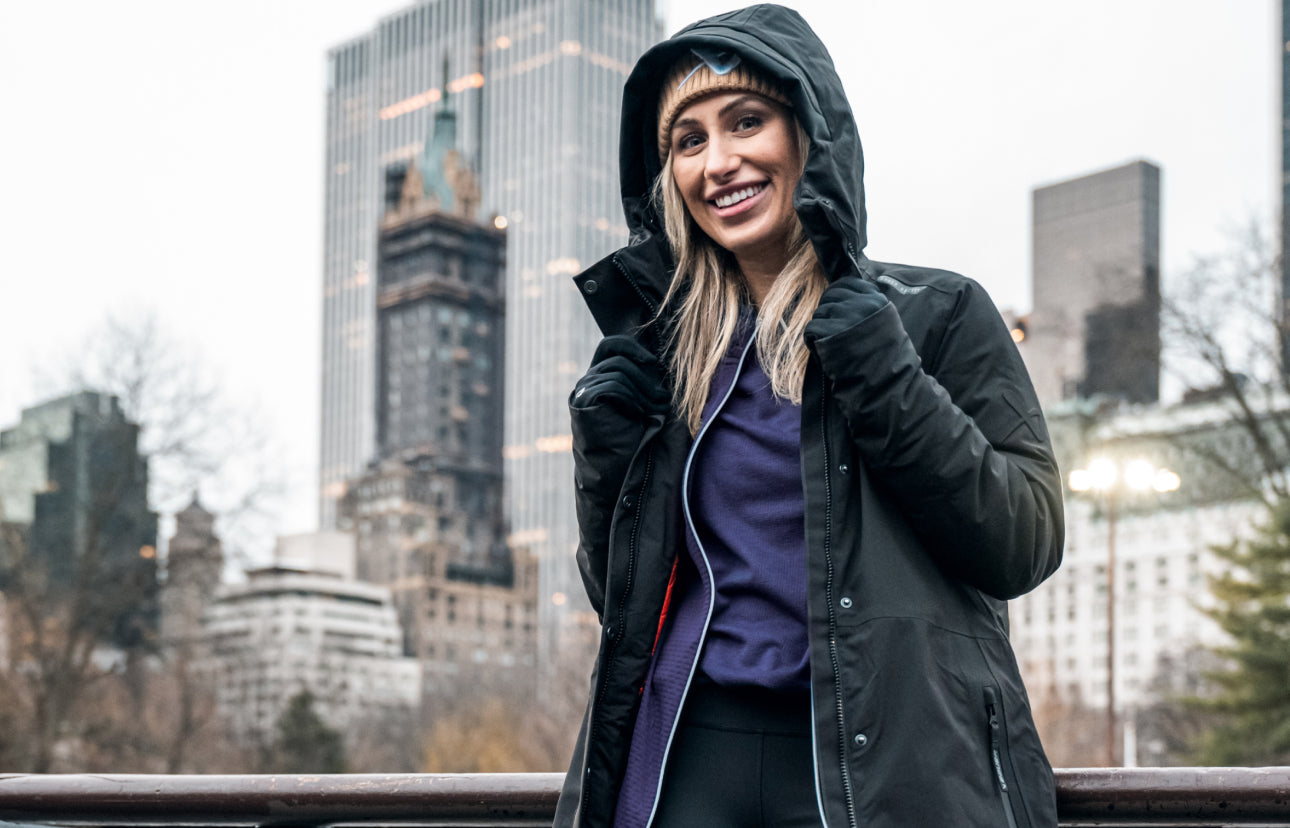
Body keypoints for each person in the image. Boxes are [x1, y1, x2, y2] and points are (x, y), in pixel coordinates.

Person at [557, 5, 1064, 827]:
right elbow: (617, 602)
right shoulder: (664, 355)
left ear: (809, 136)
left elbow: (1023, 543)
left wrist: (878, 363)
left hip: (889, 761)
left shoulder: (937, 313)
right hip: (693, 754)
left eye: (746, 122)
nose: (718, 162)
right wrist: (603, 459)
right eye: (688, 141)